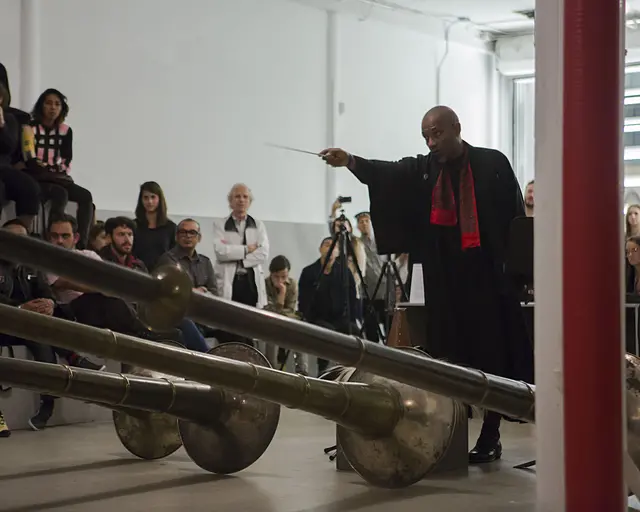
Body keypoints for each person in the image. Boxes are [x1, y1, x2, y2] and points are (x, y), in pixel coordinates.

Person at [320, 105, 533, 464]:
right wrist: (351, 160)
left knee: (493, 357)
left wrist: (520, 276)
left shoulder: (492, 164)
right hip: (445, 284)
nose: (431, 142)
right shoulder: (424, 171)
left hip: (488, 283)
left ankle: (491, 434)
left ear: (456, 128)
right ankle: (451, 435)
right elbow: (386, 173)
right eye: (426, 137)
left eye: (437, 134)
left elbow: (515, 220)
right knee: (450, 359)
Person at [0, 219, 103, 432]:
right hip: (5, 324)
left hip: (27, 325)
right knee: (35, 327)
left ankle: (48, 402)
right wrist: (20, 308)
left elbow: (45, 290)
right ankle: (74, 360)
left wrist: (49, 302)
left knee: (38, 331)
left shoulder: (31, 264)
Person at [26, 88, 93, 248]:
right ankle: (53, 240)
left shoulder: (65, 130)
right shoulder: (30, 128)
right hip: (37, 176)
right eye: (48, 103)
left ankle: (82, 243)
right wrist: (42, 168)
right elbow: (29, 157)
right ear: (41, 106)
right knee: (60, 194)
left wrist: (56, 170)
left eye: (57, 104)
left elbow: (66, 158)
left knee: (86, 196)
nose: (53, 108)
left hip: (57, 176)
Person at [213, 183, 269, 345]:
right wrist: (247, 249)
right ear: (230, 201)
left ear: (250, 201)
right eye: (237, 196)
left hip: (250, 282)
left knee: (249, 327)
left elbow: (263, 253)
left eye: (245, 197)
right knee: (229, 326)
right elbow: (221, 252)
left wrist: (238, 256)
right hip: (231, 281)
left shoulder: (258, 225)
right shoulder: (220, 224)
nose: (241, 200)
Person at [299, 237, 357, 375]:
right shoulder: (309, 272)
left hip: (340, 318)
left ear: (337, 252)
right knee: (327, 333)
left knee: (354, 332)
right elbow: (303, 301)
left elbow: (352, 297)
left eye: (333, 246)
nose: (330, 248)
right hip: (318, 318)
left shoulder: (344, 272)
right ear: (320, 249)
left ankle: (349, 371)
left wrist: (350, 318)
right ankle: (323, 372)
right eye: (326, 245)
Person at [0, 81, 40, 228]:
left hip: (3, 166)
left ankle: (22, 232)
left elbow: (9, 146)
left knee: (30, 187)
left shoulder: (10, 119)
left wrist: (2, 126)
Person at [263, 255, 308, 375]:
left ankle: (302, 370)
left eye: (284, 277)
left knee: (299, 331)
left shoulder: (292, 284)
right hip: (270, 320)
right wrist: (281, 297)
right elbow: (267, 309)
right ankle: (270, 368)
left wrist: (279, 307)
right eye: (276, 277)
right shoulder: (265, 284)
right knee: (273, 332)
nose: (280, 281)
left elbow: (291, 309)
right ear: (271, 274)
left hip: (287, 319)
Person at [132, 181, 176, 271]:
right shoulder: (134, 225)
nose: (149, 201)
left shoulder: (171, 227)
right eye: (145, 198)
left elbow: (174, 256)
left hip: (162, 274)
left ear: (159, 199)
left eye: (153, 197)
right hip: (137, 273)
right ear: (141, 200)